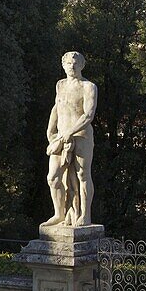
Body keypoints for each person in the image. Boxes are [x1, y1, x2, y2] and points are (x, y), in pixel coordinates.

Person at [41, 51, 97, 228]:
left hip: (81, 136)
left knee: (82, 175)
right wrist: (51, 132)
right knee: (53, 177)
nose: (71, 66)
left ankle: (85, 215)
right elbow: (56, 108)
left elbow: (88, 115)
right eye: (68, 63)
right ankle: (59, 214)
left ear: (82, 65)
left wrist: (69, 133)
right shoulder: (60, 85)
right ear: (63, 65)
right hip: (60, 136)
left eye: (75, 63)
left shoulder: (88, 87)